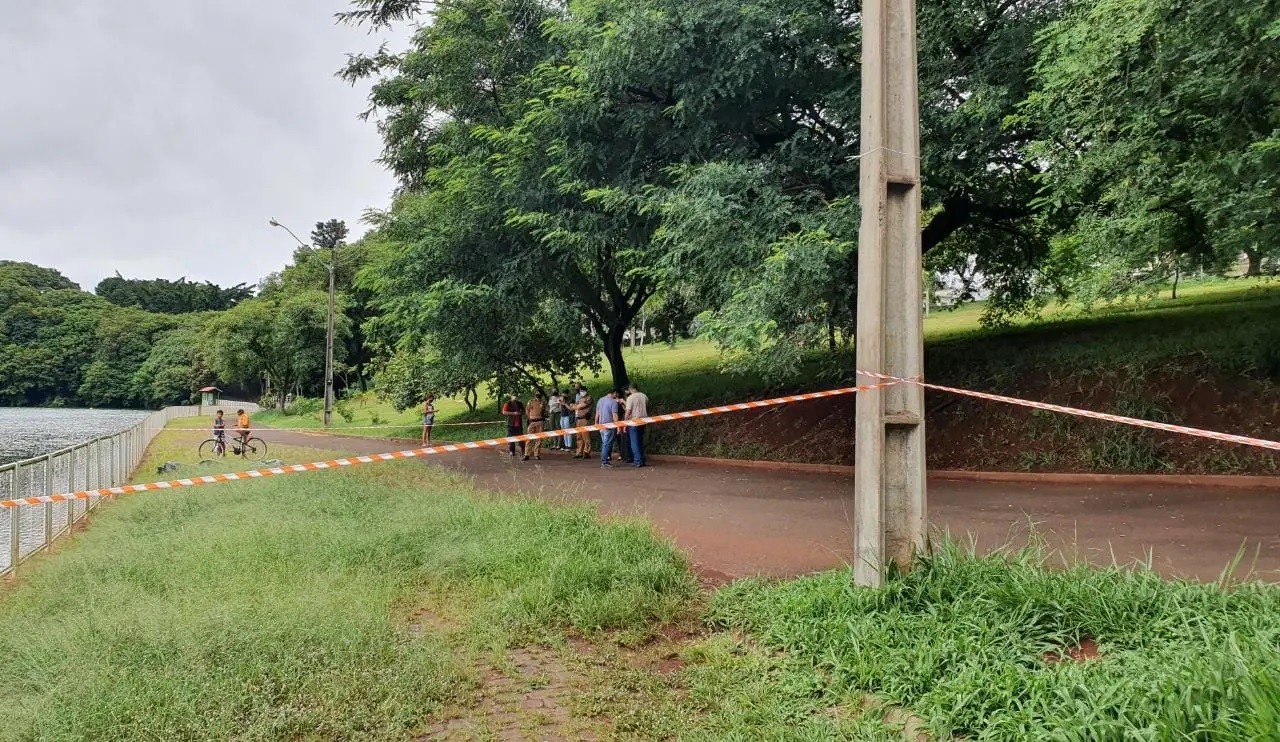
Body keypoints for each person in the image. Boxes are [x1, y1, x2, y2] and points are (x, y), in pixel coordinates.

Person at [625, 383, 650, 467]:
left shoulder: (630, 398)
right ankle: (642, 460)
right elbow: (647, 406)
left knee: (634, 442)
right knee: (640, 441)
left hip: (634, 421)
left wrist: (625, 422)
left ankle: (637, 461)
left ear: (630, 389)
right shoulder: (644, 396)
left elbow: (628, 411)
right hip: (643, 420)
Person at [596, 389, 621, 468]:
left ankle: (606, 459)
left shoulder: (600, 400)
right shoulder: (613, 402)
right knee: (606, 444)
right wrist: (618, 427)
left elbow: (597, 413)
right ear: (614, 393)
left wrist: (596, 423)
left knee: (604, 443)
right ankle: (604, 462)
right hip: (609, 426)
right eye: (616, 394)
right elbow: (615, 416)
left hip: (601, 425)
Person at [524, 390, 546, 461]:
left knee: (539, 439)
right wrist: (529, 418)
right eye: (537, 393)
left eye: (539, 393)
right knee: (529, 438)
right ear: (535, 394)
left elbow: (545, 411)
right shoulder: (530, 401)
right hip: (532, 422)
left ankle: (536, 454)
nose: (538, 394)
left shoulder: (543, 402)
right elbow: (527, 410)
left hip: (540, 421)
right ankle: (527, 454)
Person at [501, 393, 525, 459]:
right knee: (511, 438)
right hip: (510, 424)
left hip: (519, 424)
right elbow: (504, 412)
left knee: (521, 439)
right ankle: (512, 451)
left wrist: (520, 413)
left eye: (516, 396)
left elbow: (524, 411)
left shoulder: (520, 403)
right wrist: (513, 413)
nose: (515, 397)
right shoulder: (507, 403)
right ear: (511, 397)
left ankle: (523, 452)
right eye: (514, 396)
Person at [573, 387, 593, 459]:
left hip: (585, 419)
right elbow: (573, 407)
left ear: (586, 391)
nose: (581, 392)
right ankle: (579, 452)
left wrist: (577, 406)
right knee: (579, 437)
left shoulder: (589, 398)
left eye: (582, 391)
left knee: (586, 437)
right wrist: (576, 406)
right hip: (578, 419)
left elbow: (581, 406)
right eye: (580, 391)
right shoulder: (580, 399)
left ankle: (586, 452)